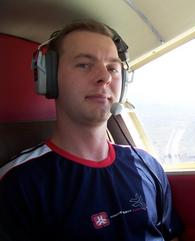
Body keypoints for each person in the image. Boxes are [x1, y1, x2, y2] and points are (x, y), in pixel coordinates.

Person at [0, 20, 182, 241]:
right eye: (84, 64)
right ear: (49, 78)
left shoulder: (147, 165)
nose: (104, 77)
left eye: (113, 68)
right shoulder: (19, 183)